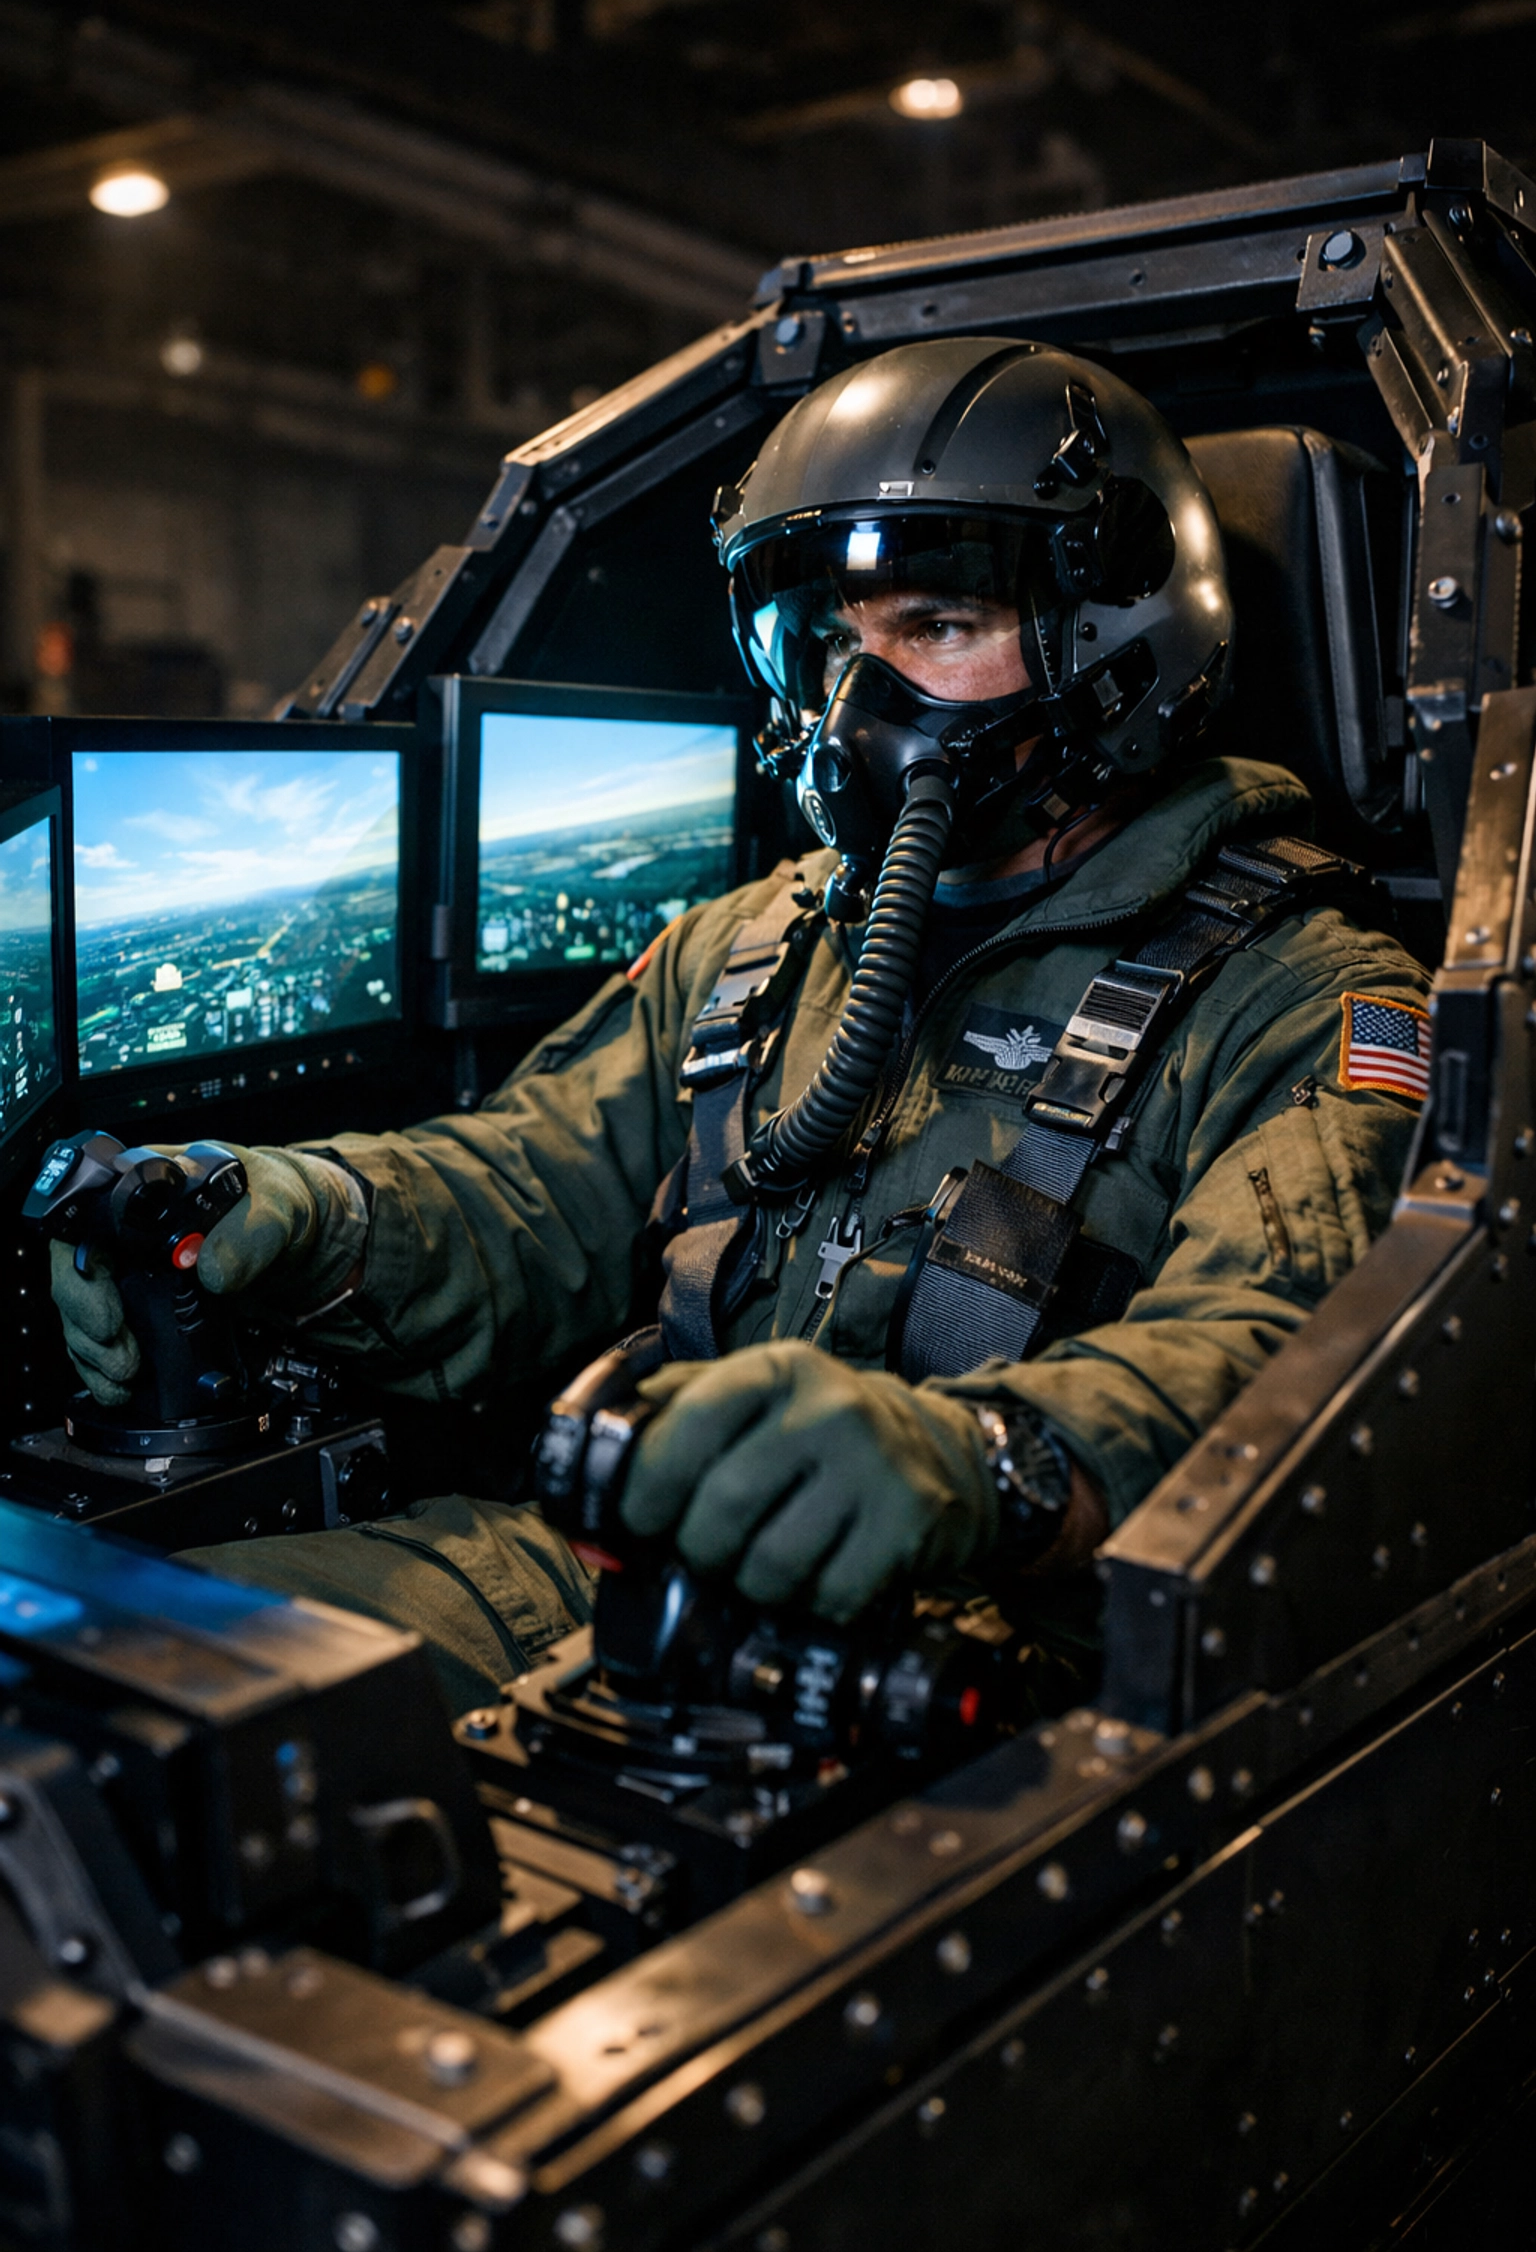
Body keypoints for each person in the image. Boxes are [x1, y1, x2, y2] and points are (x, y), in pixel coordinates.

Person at [49, 339, 1431, 1716]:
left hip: (972, 1656)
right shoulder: (759, 941)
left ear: (1119, 640)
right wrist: (309, 1211)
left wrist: (986, 1467)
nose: (856, 706)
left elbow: (1276, 1356)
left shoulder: (1301, 996)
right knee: (109, 1677)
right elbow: (533, 1186)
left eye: (938, 628)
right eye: (833, 642)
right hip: (619, 1573)